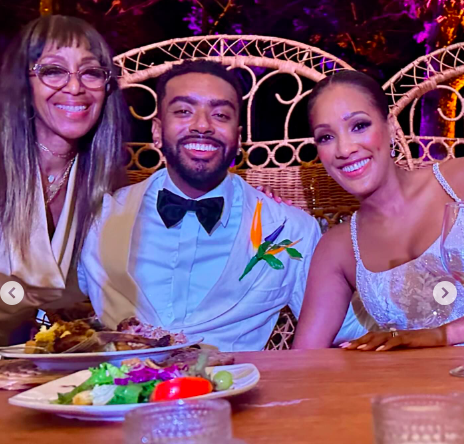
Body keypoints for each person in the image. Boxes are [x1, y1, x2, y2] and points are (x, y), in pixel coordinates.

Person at [79, 60, 367, 351]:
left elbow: (347, 326)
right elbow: (47, 290)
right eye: (183, 111)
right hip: (114, 392)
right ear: (157, 130)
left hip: (237, 390)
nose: (203, 125)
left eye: (220, 114)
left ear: (238, 137)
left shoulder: (289, 229)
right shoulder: (96, 219)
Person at [293, 70, 464, 351]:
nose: (344, 149)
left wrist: (442, 336)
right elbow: (302, 361)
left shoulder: (458, 182)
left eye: (359, 126)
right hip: (417, 392)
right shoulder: (337, 249)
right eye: (326, 137)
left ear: (390, 127)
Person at [0, 15, 128, 345]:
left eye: (91, 72)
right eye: (53, 70)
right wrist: (23, 301)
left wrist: (271, 208)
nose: (74, 87)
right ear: (24, 86)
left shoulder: (108, 186)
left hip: (52, 367)